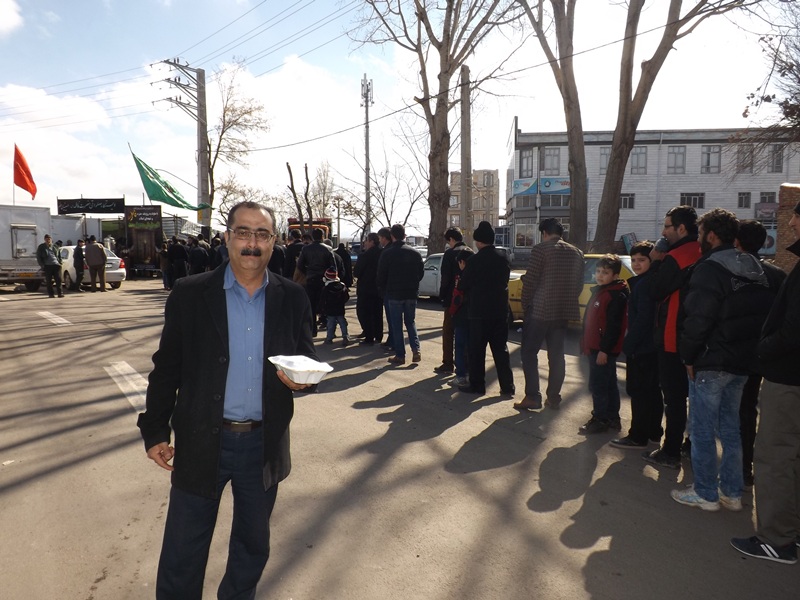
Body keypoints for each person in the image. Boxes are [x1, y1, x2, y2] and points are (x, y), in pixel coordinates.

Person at [136, 201, 317, 598]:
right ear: (227, 237)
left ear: (274, 241)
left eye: (262, 234)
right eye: (243, 232)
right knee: (183, 550)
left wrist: (303, 381)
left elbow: (305, 357)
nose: (252, 243)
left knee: (252, 548)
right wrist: (155, 430)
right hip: (201, 440)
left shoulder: (292, 297)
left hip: (262, 444)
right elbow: (167, 368)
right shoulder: (190, 293)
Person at [670, 208, 773, 511]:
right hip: (743, 361)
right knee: (731, 429)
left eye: (701, 233)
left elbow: (698, 318)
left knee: (702, 429)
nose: (699, 239)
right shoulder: (756, 267)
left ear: (711, 236)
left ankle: (705, 492)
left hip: (711, 360)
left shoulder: (710, 268)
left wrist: (688, 356)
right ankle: (731, 491)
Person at [731, 201, 800, 565]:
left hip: (787, 377)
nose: (791, 222)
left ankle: (776, 539)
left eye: (797, 216)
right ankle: (791, 531)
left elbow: (792, 330)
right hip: (788, 374)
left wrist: (764, 348)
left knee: (775, 455)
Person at [643, 205, 702, 470]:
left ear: (681, 228)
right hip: (697, 335)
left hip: (673, 336)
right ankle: (691, 445)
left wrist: (656, 261)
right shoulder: (703, 252)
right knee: (696, 398)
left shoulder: (677, 256)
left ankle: (671, 450)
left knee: (675, 398)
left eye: (667, 226)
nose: (663, 232)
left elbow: (656, 290)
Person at [734, 220, 786, 488]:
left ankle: (734, 470)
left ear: (736, 242)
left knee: (730, 412)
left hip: (732, 354)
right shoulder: (778, 275)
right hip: (760, 355)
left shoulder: (730, 271)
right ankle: (744, 468)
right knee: (747, 410)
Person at [517, 218, 584, 410]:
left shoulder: (541, 249)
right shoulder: (577, 252)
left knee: (529, 352)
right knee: (556, 355)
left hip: (539, 310)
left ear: (544, 233)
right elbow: (578, 284)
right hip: (562, 311)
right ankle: (553, 397)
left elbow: (530, 281)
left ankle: (532, 396)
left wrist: (526, 304)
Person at [610, 241, 662, 448]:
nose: (637, 264)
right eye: (633, 260)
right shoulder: (649, 281)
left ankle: (638, 435)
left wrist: (628, 344)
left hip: (642, 347)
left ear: (651, 261)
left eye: (642, 260)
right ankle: (654, 432)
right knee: (652, 391)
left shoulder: (644, 284)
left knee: (639, 392)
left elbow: (643, 319)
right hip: (652, 346)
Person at [457, 221, 515, 396]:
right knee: (500, 350)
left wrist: (462, 271)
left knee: (477, 350)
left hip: (479, 312)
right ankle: (507, 386)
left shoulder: (474, 261)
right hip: (499, 310)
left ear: (479, 241)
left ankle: (477, 385)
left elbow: (463, 285)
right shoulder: (503, 258)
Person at [578, 254, 629, 434]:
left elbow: (614, 327)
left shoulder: (615, 295)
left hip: (602, 349)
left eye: (605, 272)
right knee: (608, 383)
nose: (599, 275)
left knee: (599, 385)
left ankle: (600, 418)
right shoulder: (602, 291)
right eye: (598, 271)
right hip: (596, 347)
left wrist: (604, 350)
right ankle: (612, 417)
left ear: (615, 275)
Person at [376, 223, 424, 365]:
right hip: (411, 293)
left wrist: (383, 288)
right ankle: (416, 349)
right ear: (404, 235)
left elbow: (381, 275)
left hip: (394, 293)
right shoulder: (415, 253)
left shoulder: (387, 253)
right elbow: (420, 273)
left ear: (392, 236)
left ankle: (400, 355)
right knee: (410, 322)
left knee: (396, 325)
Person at [435, 227, 467, 374]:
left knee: (448, 331)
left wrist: (442, 295)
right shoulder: (470, 252)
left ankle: (448, 363)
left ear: (452, 240)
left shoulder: (449, 254)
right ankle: (463, 364)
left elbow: (445, 278)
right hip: (466, 299)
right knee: (463, 333)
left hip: (451, 298)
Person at [297, 228, 337, 335]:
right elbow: (333, 266)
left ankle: (313, 329)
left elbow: (300, 265)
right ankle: (329, 329)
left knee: (311, 305)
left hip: (310, 279)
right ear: (323, 237)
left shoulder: (306, 249)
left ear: (312, 237)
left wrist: (308, 272)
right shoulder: (328, 249)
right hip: (324, 280)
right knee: (325, 304)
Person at [353, 232, 383, 345]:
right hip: (379, 288)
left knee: (364, 312)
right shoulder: (383, 253)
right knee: (377, 312)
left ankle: (369, 336)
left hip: (366, 288)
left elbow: (357, 272)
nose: (364, 243)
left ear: (372, 242)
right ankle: (378, 335)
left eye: (366, 241)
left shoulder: (365, 256)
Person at [450, 247, 474, 387]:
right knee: (472, 347)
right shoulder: (479, 274)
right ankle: (471, 374)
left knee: (459, 346)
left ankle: (460, 375)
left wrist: (452, 311)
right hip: (475, 316)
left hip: (461, 315)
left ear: (462, 262)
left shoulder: (462, 277)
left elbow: (457, 298)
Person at [320, 267, 352, 346]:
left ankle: (329, 338)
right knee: (342, 323)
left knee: (330, 324)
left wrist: (322, 308)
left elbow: (323, 299)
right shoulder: (342, 286)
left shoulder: (326, 288)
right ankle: (345, 336)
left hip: (330, 309)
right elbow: (346, 297)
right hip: (340, 309)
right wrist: (342, 302)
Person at [377, 227, 394, 350]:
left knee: (392, 318)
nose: (379, 241)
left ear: (384, 238)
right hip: (402, 289)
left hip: (389, 289)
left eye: (380, 238)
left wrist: (380, 286)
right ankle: (392, 340)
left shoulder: (386, 252)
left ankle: (393, 341)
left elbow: (381, 273)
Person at [36, 234, 63, 298]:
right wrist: (42, 265)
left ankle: (60, 293)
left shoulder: (55, 246)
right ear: (45, 239)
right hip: (48, 266)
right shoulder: (41, 247)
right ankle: (51, 294)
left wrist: (60, 263)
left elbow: (59, 255)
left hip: (56, 265)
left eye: (49, 239)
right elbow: (38, 257)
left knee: (58, 280)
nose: (48, 240)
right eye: (47, 239)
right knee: (49, 281)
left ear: (51, 239)